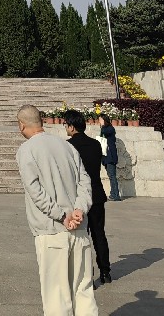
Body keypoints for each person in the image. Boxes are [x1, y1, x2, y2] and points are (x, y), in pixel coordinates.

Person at [16, 104, 98, 316]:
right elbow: (85, 182)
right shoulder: (68, 147)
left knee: (56, 295)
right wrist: (79, 209)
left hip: (51, 229)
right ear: (42, 121)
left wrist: (62, 216)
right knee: (84, 291)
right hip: (79, 227)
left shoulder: (27, 150)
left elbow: (35, 191)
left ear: (21, 125)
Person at [64, 110, 111, 286]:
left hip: (79, 197)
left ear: (72, 126)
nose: (65, 128)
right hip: (97, 194)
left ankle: (86, 274)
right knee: (99, 234)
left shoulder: (68, 146)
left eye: (66, 125)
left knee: (81, 236)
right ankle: (105, 271)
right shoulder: (95, 144)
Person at [98, 115, 121, 202]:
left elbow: (104, 132)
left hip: (110, 156)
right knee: (111, 175)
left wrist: (102, 125)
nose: (99, 121)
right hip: (106, 156)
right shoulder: (105, 129)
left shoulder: (110, 129)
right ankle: (113, 194)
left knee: (112, 175)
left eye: (100, 119)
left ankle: (116, 195)